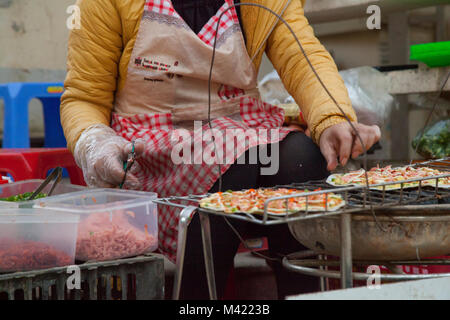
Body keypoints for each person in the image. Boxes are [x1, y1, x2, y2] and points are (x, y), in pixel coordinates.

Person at [61, 0, 381, 299]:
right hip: (153, 140)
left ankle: (302, 292)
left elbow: (302, 56)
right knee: (231, 161)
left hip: (241, 126)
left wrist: (332, 117)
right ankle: (196, 297)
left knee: (303, 158)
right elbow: (85, 96)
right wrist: (95, 141)